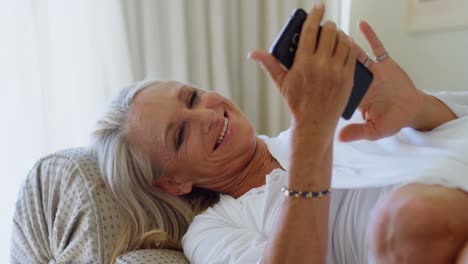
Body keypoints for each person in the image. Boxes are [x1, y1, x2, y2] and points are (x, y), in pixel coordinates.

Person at [92, 3, 468, 263]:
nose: (205, 115)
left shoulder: (336, 118)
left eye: (191, 97)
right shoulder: (212, 231)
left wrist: (415, 107)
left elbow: (454, 128)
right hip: (430, 233)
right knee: (412, 220)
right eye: (179, 135)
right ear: (172, 183)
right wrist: (311, 132)